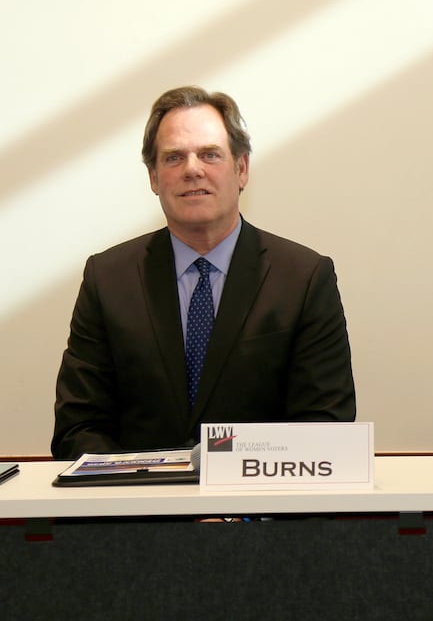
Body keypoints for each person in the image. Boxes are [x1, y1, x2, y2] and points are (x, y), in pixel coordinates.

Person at [52, 86, 356, 460]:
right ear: (153, 177)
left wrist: (236, 518)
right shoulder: (108, 279)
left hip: (259, 513)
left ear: (241, 169)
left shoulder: (305, 278)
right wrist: (150, 508)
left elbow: (324, 426)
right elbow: (78, 427)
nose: (192, 169)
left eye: (209, 154)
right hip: (138, 512)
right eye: (174, 158)